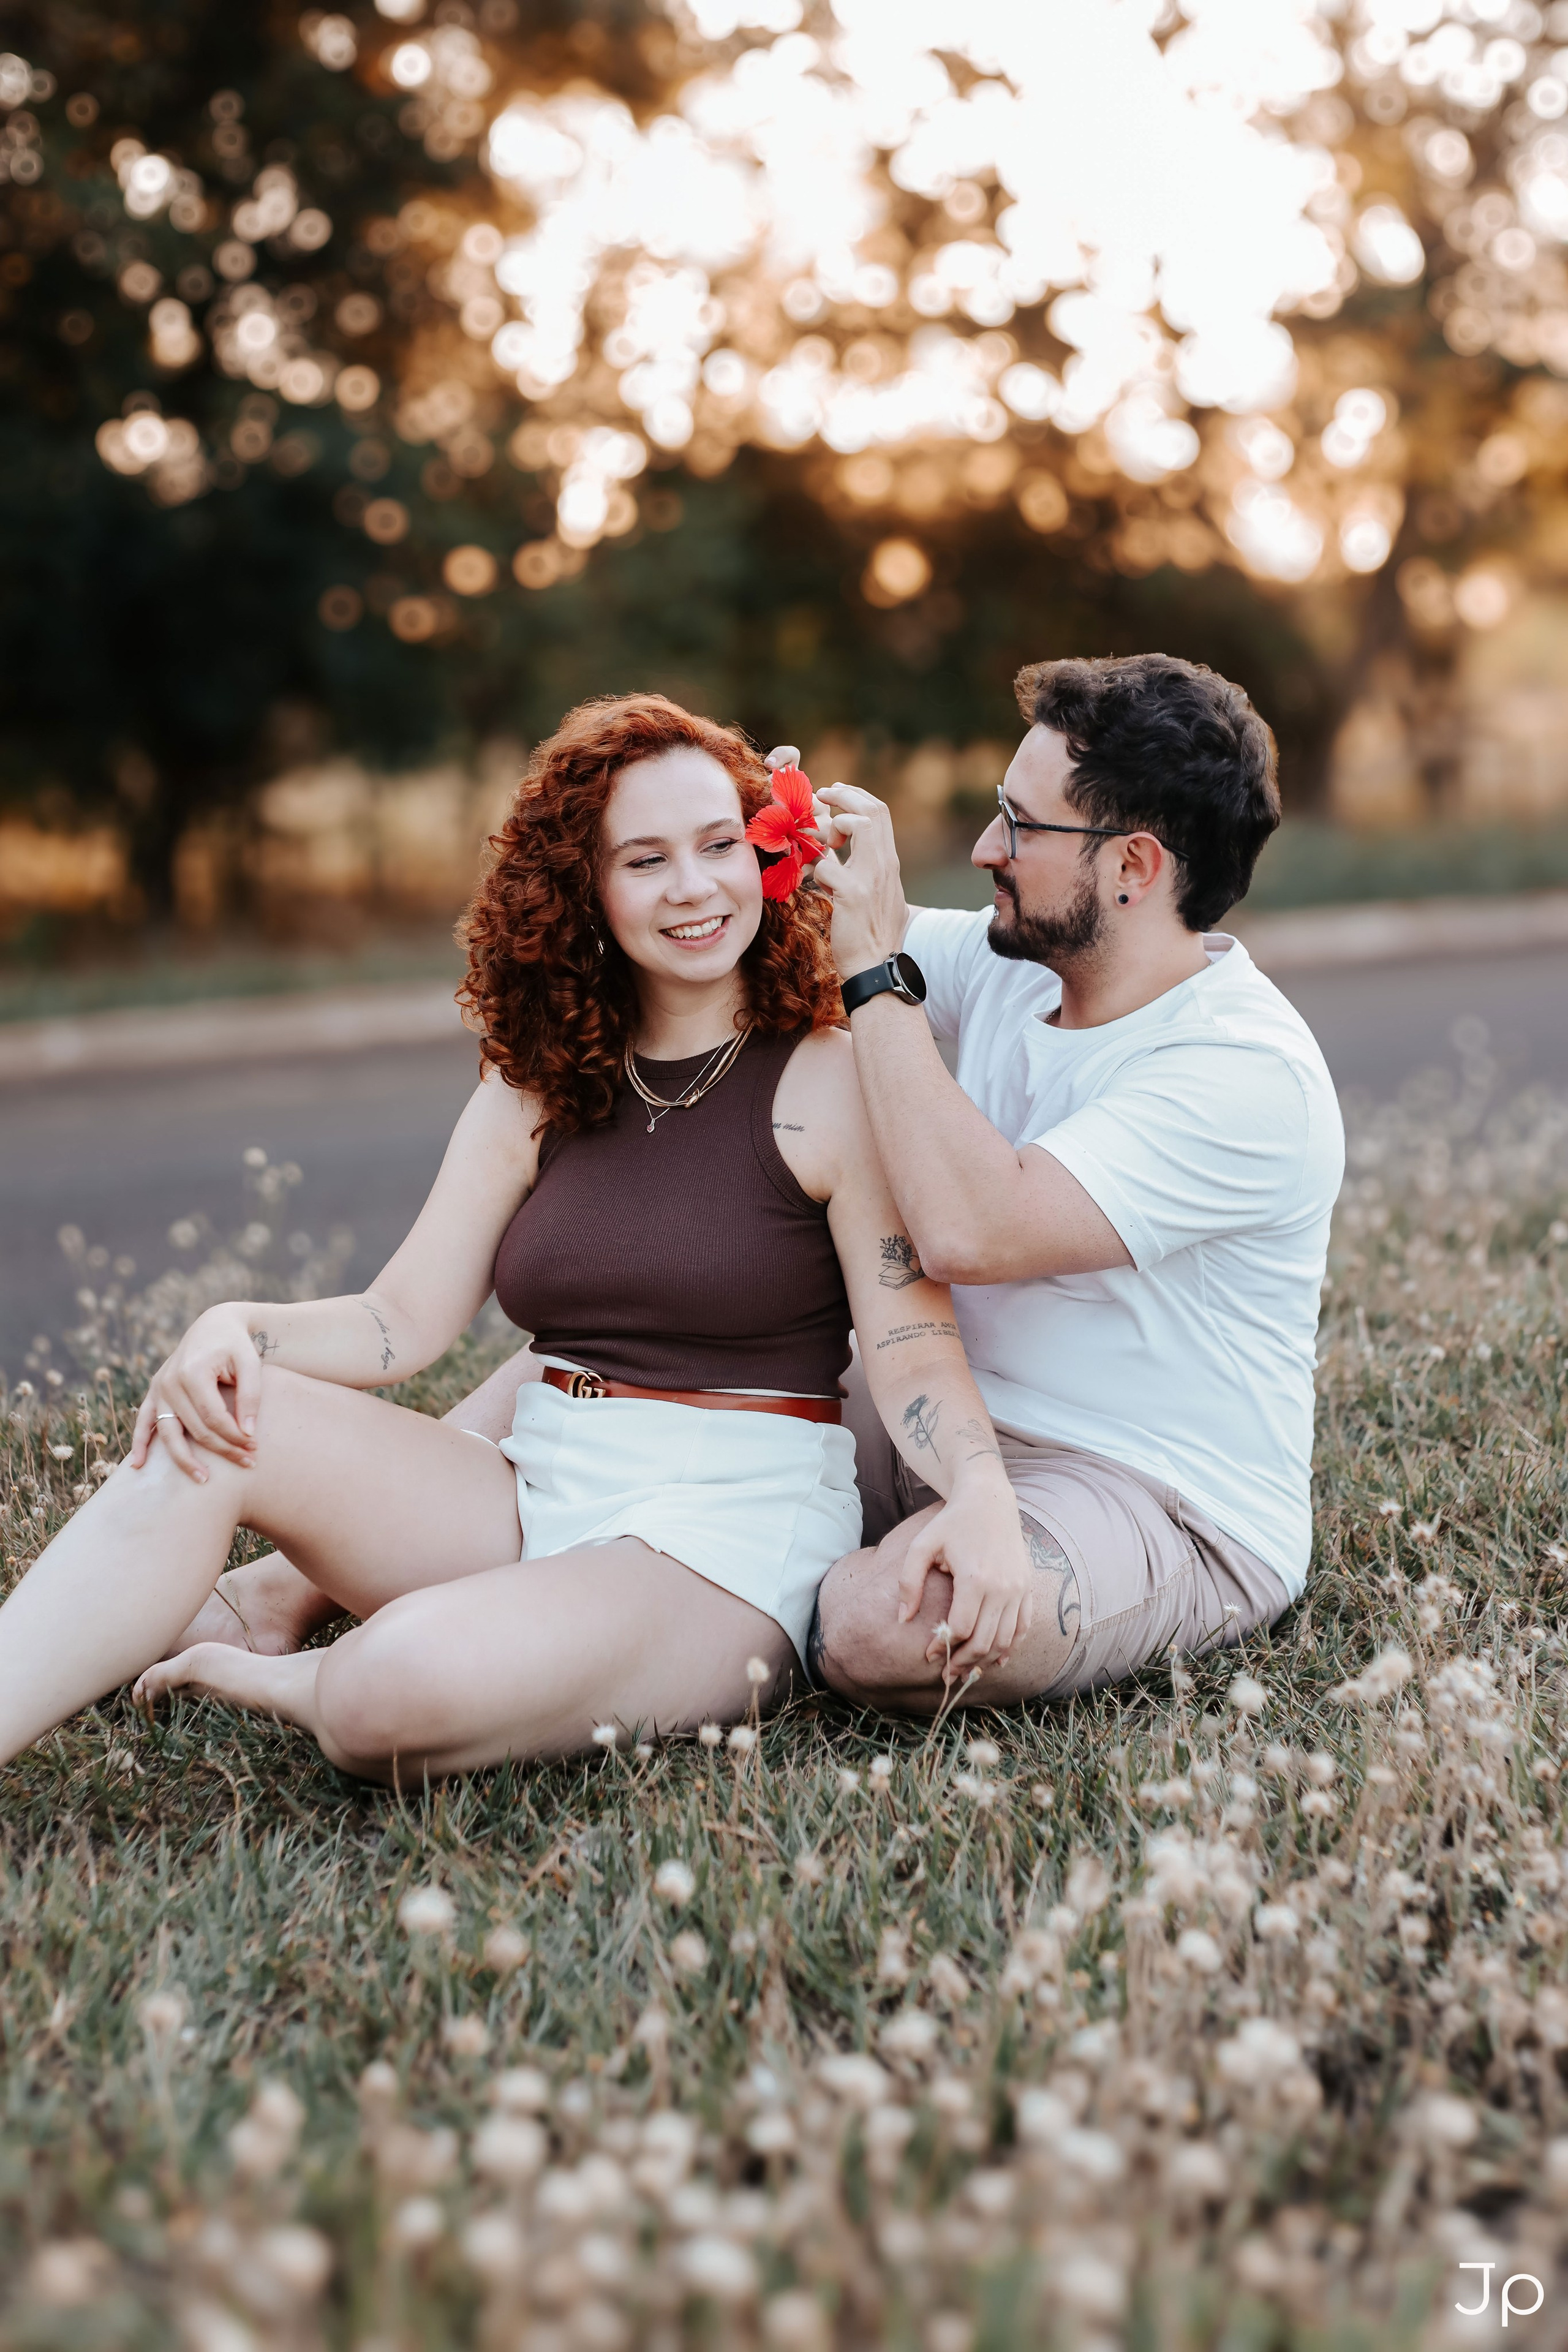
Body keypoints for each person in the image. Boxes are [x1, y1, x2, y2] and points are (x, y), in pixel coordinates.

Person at [0, 695, 1034, 1784]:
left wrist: (983, 1498)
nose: (694, 887)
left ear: (769, 859)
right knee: (219, 1419)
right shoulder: (537, 1078)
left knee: (390, 1689)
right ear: (583, 890)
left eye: (720, 845)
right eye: (645, 860)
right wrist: (238, 1329)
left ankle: (281, 1673)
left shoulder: (830, 1077)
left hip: (725, 1538)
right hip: (532, 1483)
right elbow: (399, 1323)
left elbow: (913, 1347)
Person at [803, 650, 1346, 1713]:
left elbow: (969, 1228)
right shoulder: (1025, 960)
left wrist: (875, 976)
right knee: (645, 1397)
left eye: (1022, 824)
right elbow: (838, 931)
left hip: (1149, 1491)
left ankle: (756, 1599)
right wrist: (760, 828)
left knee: (878, 1626)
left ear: (1134, 867)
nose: (983, 848)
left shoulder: (1244, 1072)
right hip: (946, 1413)